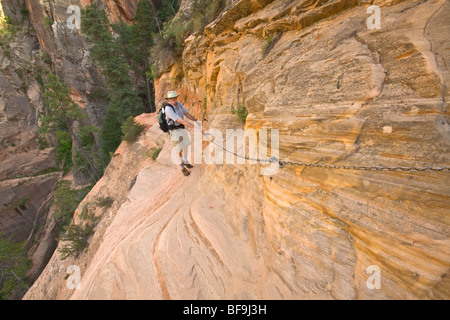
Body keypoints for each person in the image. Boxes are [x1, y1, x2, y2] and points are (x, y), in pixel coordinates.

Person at [164, 90, 199, 176]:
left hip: (181, 128)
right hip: (174, 131)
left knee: (186, 145)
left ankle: (186, 161)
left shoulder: (179, 104)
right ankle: (182, 168)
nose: (173, 99)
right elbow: (180, 120)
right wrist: (193, 126)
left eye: (174, 97)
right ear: (168, 100)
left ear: (176, 97)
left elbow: (186, 113)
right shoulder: (168, 109)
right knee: (179, 150)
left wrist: (195, 120)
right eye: (171, 98)